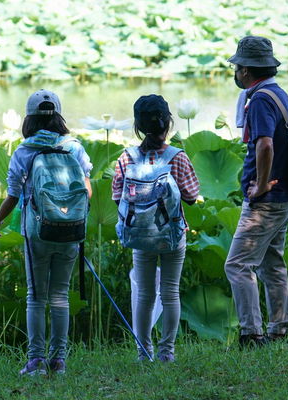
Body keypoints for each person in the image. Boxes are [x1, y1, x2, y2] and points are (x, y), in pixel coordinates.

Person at [0, 89, 93, 375]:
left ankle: (35, 361)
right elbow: (87, 190)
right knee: (60, 295)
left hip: (37, 232)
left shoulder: (24, 151)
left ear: (30, 119)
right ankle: (58, 361)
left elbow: (13, 194)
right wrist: (72, 217)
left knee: (36, 296)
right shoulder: (74, 147)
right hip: (71, 231)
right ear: (58, 116)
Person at [111, 94, 199, 362]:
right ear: (169, 122)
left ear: (138, 126)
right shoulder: (178, 157)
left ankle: (142, 351)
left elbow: (118, 198)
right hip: (171, 235)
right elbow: (192, 196)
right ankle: (166, 353)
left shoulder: (127, 158)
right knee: (170, 292)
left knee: (145, 295)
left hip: (140, 237)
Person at [224, 36, 288, 347]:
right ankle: (280, 328)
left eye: (237, 67)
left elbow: (265, 144)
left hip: (266, 202)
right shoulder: (279, 94)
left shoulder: (260, 100)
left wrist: (262, 183)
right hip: (285, 199)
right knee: (272, 263)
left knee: (237, 264)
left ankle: (251, 333)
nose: (235, 72)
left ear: (245, 71)